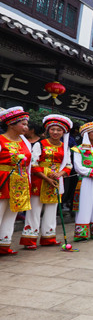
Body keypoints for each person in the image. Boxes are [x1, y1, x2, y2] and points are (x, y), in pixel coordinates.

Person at [21, 115, 73, 249]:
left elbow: (68, 165)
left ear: (63, 132)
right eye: (52, 129)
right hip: (40, 181)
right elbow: (33, 164)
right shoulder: (40, 144)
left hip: (55, 181)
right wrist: (48, 177)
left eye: (59, 130)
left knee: (51, 211)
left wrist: (59, 174)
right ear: (48, 130)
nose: (55, 132)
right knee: (34, 211)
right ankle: (30, 240)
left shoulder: (65, 147)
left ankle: (48, 237)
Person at [0, 107, 32, 255]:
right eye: (23, 124)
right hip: (3, 179)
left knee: (11, 214)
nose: (26, 127)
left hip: (19, 182)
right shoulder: (1, 140)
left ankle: (4, 244)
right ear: (11, 124)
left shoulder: (25, 142)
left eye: (26, 124)